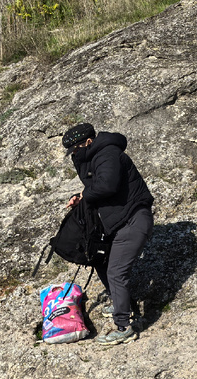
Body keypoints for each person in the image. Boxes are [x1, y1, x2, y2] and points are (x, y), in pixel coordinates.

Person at [62, 122, 154, 345]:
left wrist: (86, 194)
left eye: (76, 149)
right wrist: (81, 196)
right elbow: (98, 185)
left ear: (88, 142)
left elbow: (107, 186)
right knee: (100, 259)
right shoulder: (94, 157)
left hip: (133, 219)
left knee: (116, 271)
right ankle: (122, 303)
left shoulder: (108, 153)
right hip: (119, 221)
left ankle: (124, 326)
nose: (75, 154)